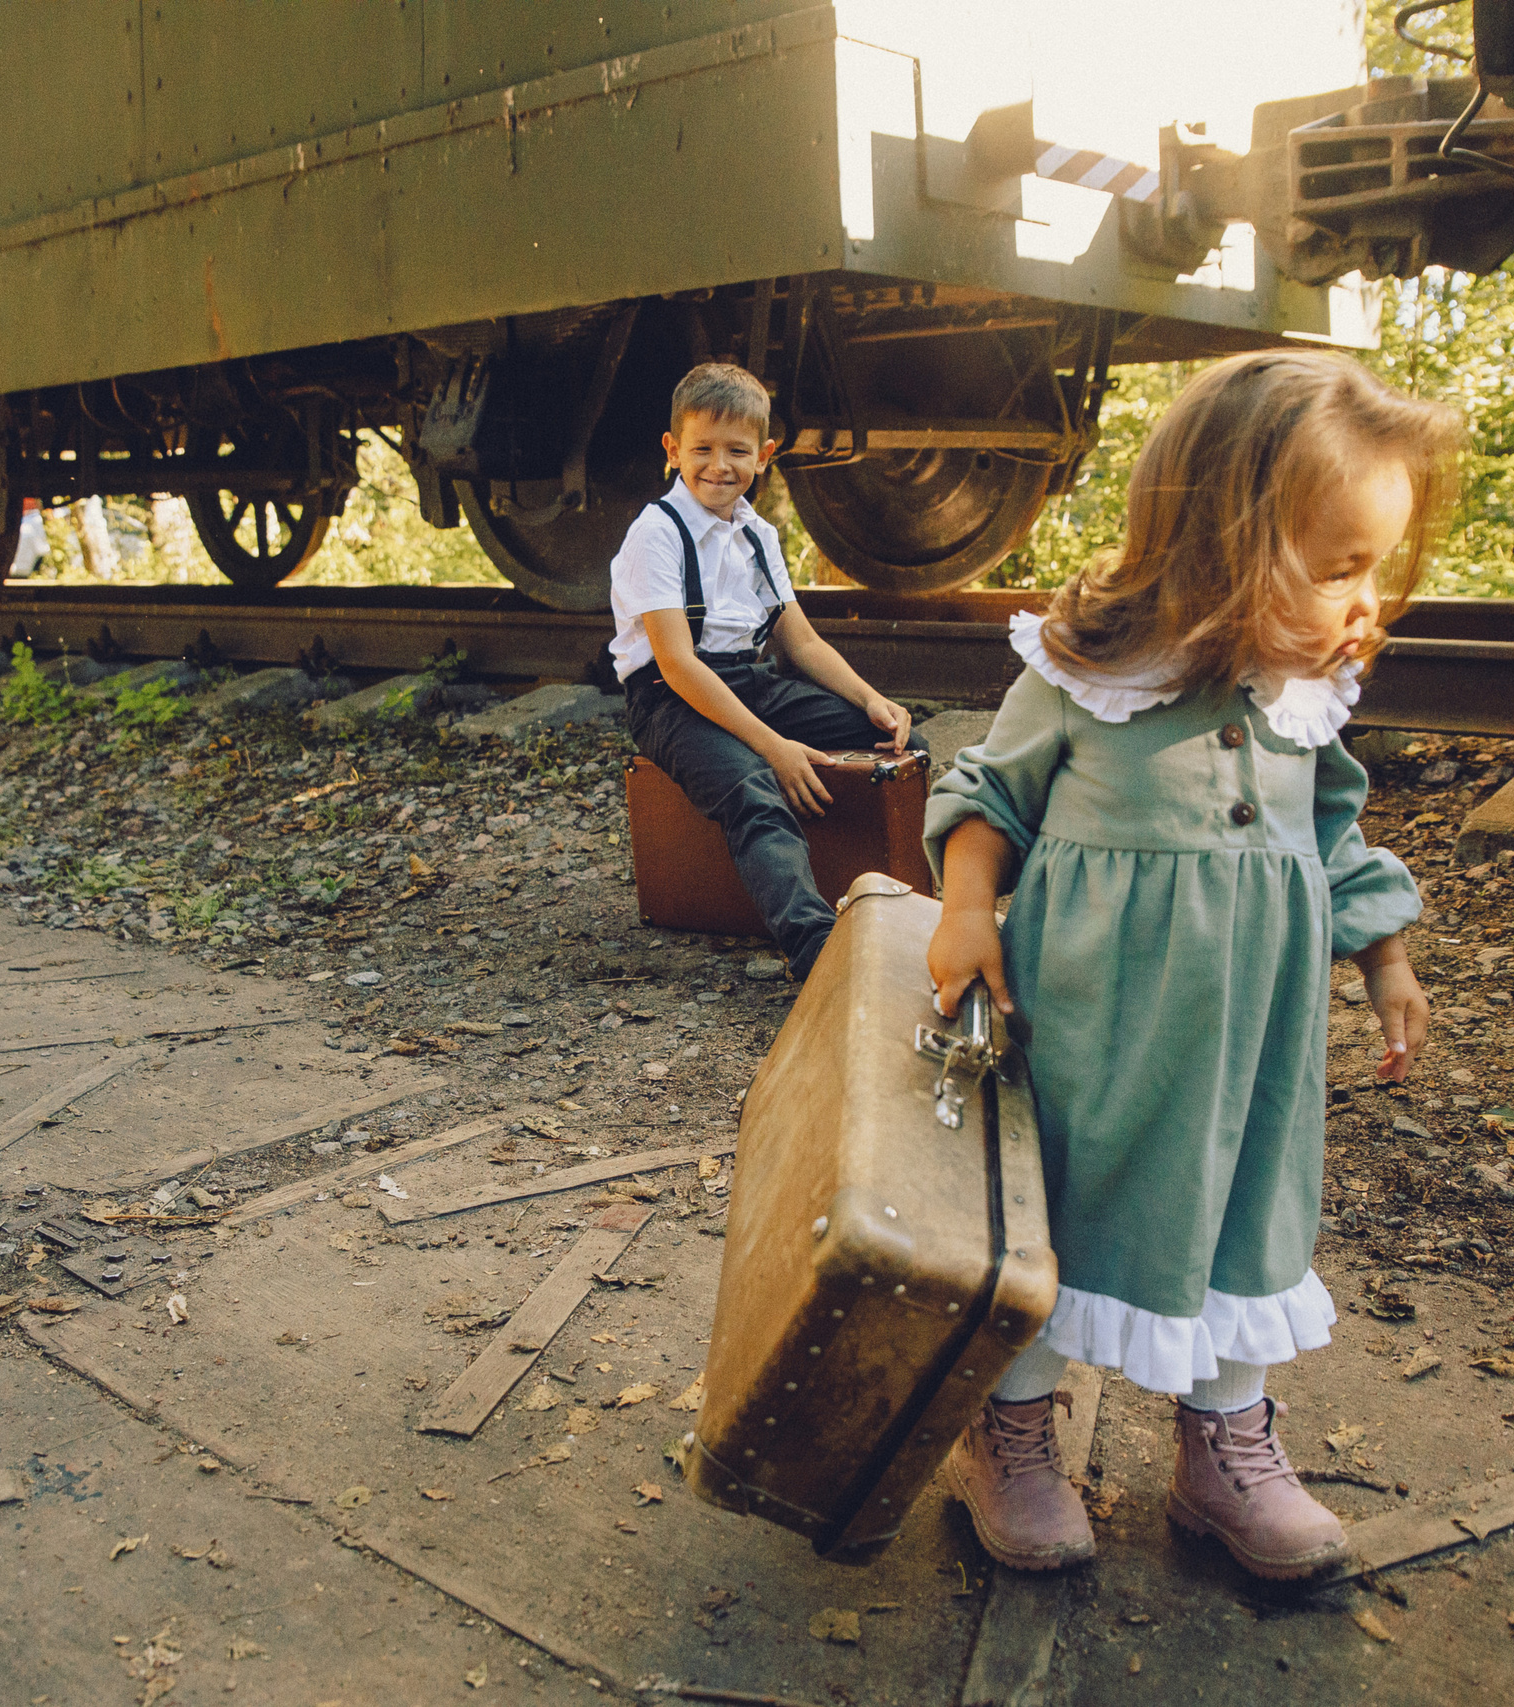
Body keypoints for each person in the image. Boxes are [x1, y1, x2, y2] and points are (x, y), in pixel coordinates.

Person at [922, 349, 1455, 1579]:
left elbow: (1332, 838)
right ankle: (1009, 1434)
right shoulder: (1089, 675)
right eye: (1339, 569)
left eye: (1374, 569)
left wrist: (1387, 961)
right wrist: (965, 911)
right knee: (1057, 1212)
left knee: (1246, 1216)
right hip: (1090, 1036)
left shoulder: (1303, 696)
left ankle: (1226, 1449)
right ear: (1224, 543)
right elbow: (988, 795)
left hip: (1252, 1051)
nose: (1367, 602)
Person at [612, 362, 922, 978]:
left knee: (893, 744)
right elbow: (676, 664)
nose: (719, 466)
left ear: (764, 455)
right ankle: (820, 952)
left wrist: (871, 699)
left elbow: (800, 642)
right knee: (754, 786)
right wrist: (774, 747)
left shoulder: (757, 534)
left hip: (745, 682)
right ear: (673, 450)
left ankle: (888, 897)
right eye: (702, 449)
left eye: (737, 451)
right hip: (670, 698)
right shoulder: (657, 534)